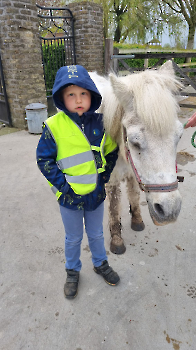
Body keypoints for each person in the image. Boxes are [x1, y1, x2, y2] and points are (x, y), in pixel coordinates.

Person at [36, 65, 120, 299]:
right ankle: (72, 271)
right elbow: (44, 159)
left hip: (96, 195)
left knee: (95, 234)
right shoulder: (53, 126)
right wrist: (63, 188)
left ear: (92, 95)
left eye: (83, 93)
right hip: (69, 199)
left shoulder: (102, 123)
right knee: (73, 238)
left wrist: (104, 177)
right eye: (71, 94)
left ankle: (100, 263)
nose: (78, 99)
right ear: (61, 98)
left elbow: (111, 151)